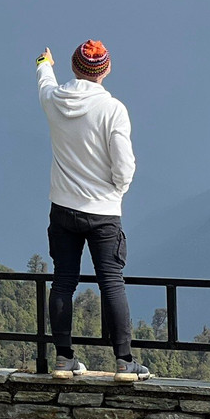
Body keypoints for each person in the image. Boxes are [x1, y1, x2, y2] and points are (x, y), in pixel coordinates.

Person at [36, 41, 150, 382]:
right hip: (103, 212)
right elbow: (124, 166)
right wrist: (115, 190)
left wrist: (43, 61)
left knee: (63, 281)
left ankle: (64, 358)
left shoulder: (54, 100)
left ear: (74, 67)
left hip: (62, 207)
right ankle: (125, 363)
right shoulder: (113, 109)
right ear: (107, 69)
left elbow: (43, 79)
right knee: (112, 284)